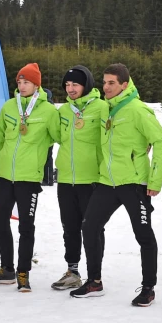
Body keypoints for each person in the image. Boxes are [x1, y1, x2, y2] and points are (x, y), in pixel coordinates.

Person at [70, 63, 162, 307]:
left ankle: (148, 288)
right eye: (104, 82)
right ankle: (94, 281)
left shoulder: (138, 110)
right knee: (90, 226)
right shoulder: (106, 109)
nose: (106, 87)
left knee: (143, 235)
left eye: (112, 83)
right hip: (107, 181)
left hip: (134, 183)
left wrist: (154, 180)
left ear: (125, 84)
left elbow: (161, 142)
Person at [0, 63, 60, 292]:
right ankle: (7, 269)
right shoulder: (8, 107)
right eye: (20, 82)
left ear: (37, 85)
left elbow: (57, 137)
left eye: (27, 82)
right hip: (6, 177)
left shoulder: (48, 111)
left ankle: (23, 272)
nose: (22, 86)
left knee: (26, 226)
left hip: (28, 178)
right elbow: (0, 140)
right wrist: (2, 162)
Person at [51, 65, 108, 291]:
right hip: (66, 179)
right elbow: (56, 136)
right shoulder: (63, 111)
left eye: (75, 84)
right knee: (70, 227)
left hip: (92, 179)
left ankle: (95, 275)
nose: (71, 88)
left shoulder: (102, 107)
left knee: (92, 228)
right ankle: (72, 271)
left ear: (86, 85)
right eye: (67, 84)